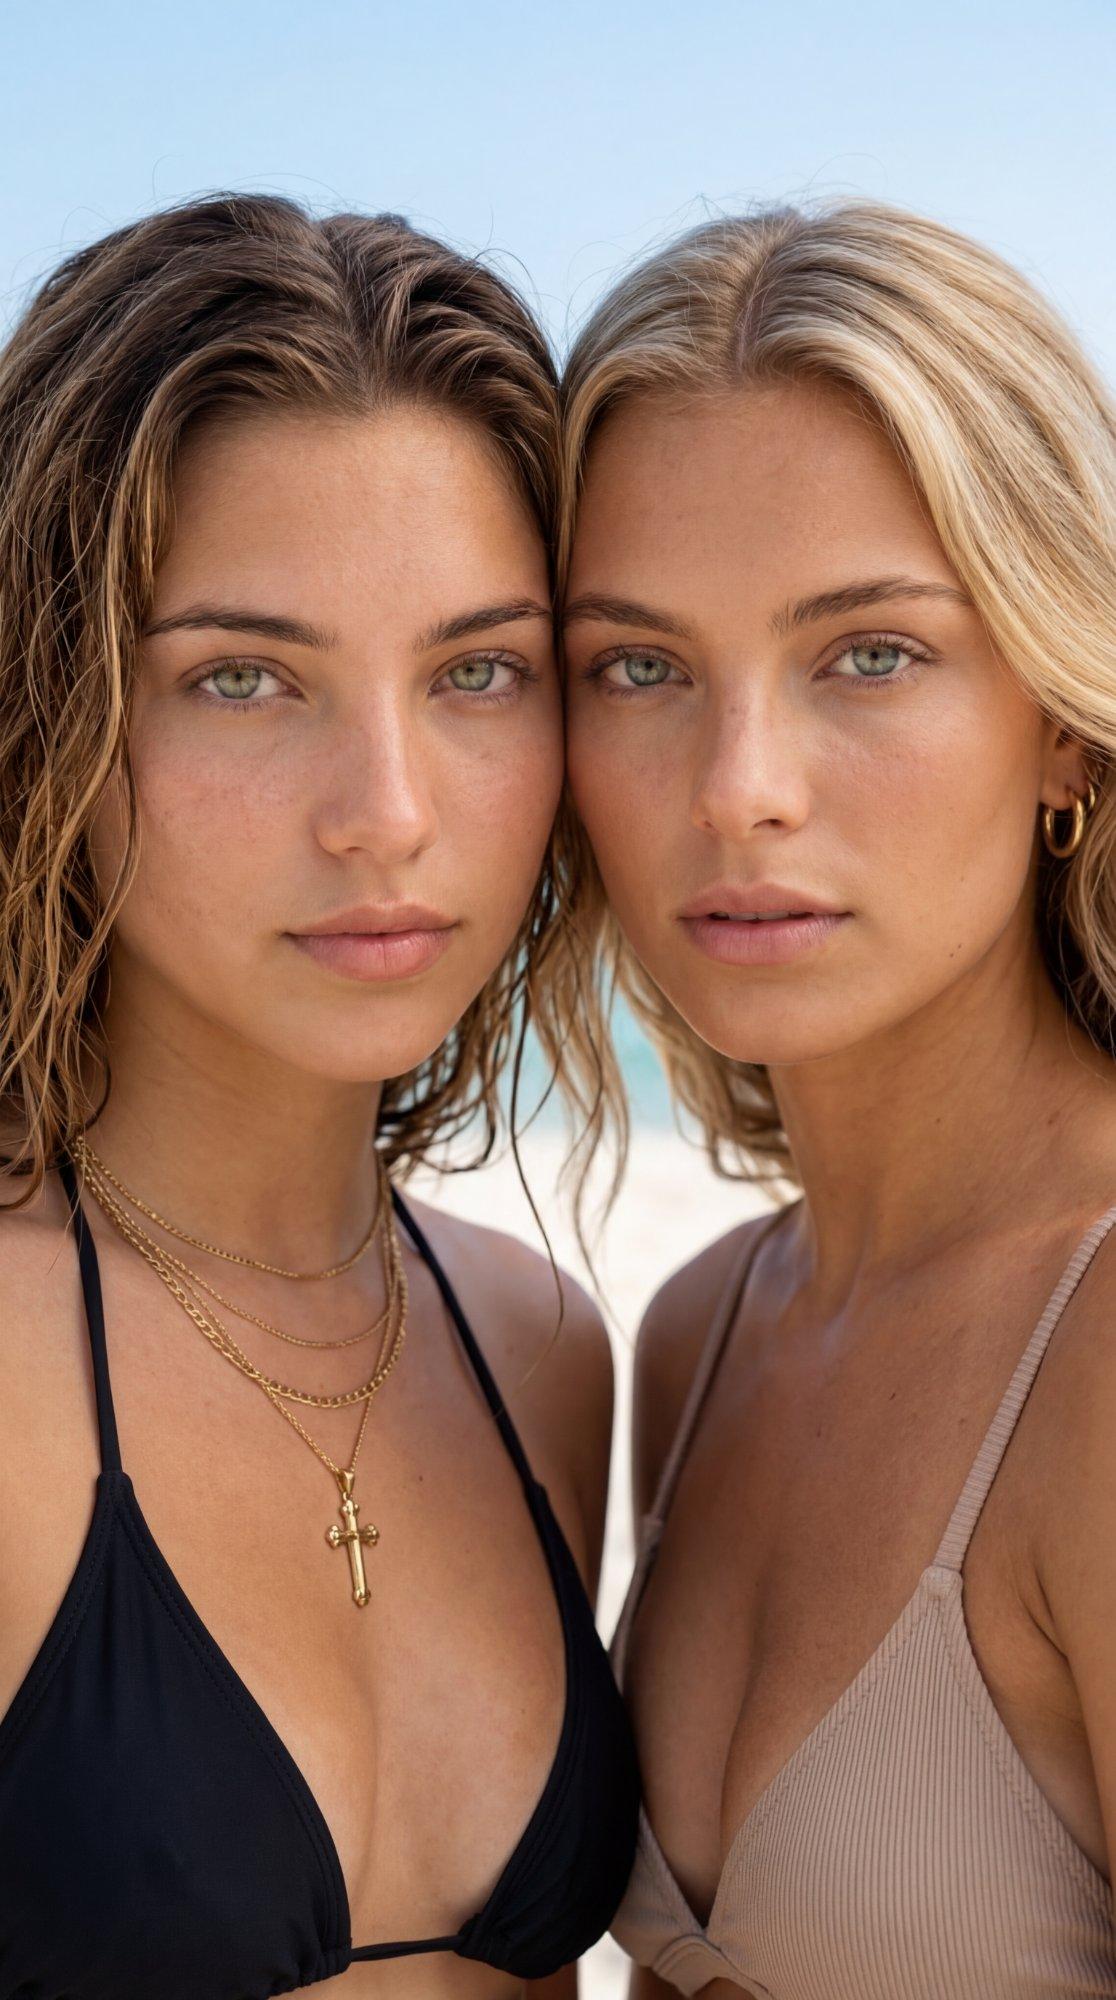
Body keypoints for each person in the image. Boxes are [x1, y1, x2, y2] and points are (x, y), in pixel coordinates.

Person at [0, 194, 638, 2000]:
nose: (388, 811)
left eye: (477, 673)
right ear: (52, 708)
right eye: (245, 677)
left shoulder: (540, 1352)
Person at [556, 201, 1116, 1997]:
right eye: (638, 667)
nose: (741, 790)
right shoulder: (699, 1334)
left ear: (1065, 725)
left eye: (867, 651)